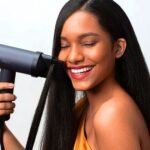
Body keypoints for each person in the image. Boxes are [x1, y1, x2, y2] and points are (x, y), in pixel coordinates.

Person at [0, 0, 150, 149]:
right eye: (64, 45)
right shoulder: (84, 107)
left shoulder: (111, 116)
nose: (73, 57)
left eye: (88, 43)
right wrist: (2, 128)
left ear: (118, 48)